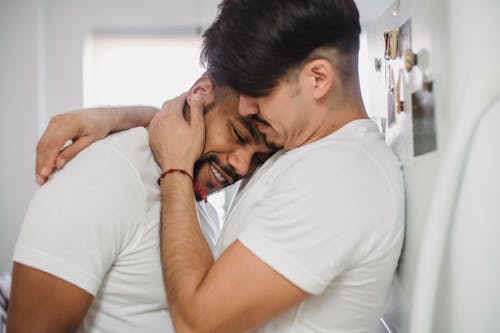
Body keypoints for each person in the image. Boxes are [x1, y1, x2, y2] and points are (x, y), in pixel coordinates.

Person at [33, 0, 404, 332]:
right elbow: (211, 123)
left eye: (258, 93)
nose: (246, 107)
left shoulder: (339, 177)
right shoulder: (302, 146)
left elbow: (198, 323)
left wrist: (176, 169)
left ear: (318, 78)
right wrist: (117, 115)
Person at [7, 75, 275, 333]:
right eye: (239, 134)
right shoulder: (103, 174)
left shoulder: (198, 205)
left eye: (258, 160)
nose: (241, 167)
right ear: (200, 93)